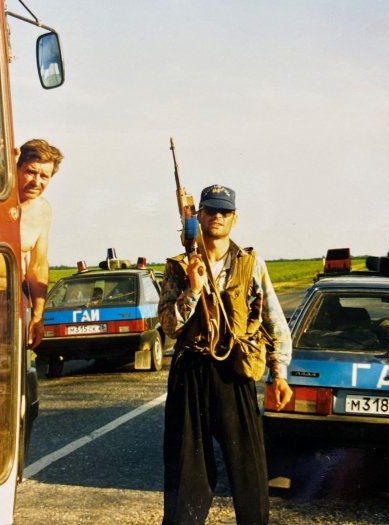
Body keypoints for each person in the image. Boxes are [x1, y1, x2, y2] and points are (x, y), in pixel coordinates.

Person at [159, 184, 292, 525]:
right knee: (186, 469)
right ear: (198, 216)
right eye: (210, 210)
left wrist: (280, 374)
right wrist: (192, 289)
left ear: (234, 218)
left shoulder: (250, 263)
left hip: (235, 371)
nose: (217, 216)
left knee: (248, 468)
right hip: (190, 371)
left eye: (224, 211)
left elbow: (274, 320)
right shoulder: (178, 266)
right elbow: (169, 327)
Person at [17, 138, 64, 349]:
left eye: (44, 176)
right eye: (31, 172)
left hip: (15, 300)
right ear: (16, 167)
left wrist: (38, 315)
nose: (37, 182)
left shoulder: (42, 210)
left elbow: (37, 266)